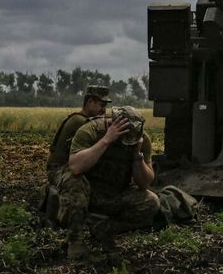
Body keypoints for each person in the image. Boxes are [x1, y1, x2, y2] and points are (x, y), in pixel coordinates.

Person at [62, 105, 159, 257]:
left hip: (114, 191)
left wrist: (136, 155)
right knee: (74, 181)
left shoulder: (141, 140)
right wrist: (106, 140)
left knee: (151, 202)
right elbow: (75, 167)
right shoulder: (91, 131)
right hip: (88, 191)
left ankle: (104, 229)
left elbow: (145, 183)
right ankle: (75, 240)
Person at [40, 85, 111, 226]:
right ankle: (67, 220)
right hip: (59, 168)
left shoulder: (81, 120)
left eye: (105, 106)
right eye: (101, 105)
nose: (103, 110)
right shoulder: (81, 122)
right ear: (90, 101)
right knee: (77, 182)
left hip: (67, 165)